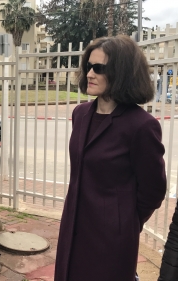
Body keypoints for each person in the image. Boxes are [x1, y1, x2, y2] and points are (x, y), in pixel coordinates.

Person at [54, 35, 166, 281]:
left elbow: (153, 190)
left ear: (121, 72)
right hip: (72, 227)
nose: (90, 74)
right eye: (88, 66)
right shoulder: (81, 114)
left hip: (111, 241)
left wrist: (123, 221)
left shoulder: (141, 126)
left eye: (99, 68)